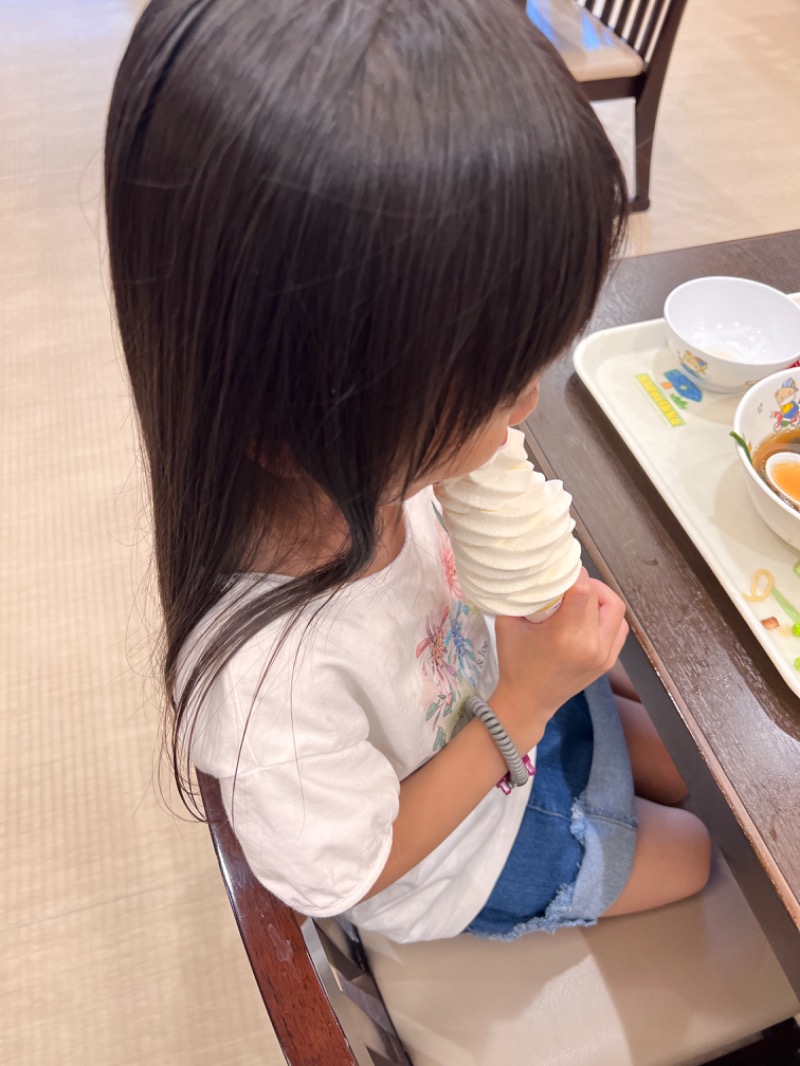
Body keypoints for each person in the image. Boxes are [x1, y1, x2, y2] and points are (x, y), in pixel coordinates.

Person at [105, 0, 710, 945]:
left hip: (501, 701)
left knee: (686, 771)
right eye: (500, 386)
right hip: (458, 848)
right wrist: (523, 705)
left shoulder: (372, 460)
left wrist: (530, 671)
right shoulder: (270, 685)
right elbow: (347, 872)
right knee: (701, 855)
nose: (527, 410)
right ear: (303, 412)